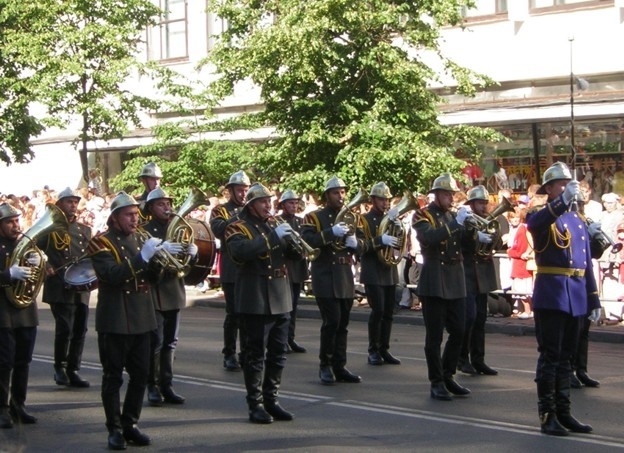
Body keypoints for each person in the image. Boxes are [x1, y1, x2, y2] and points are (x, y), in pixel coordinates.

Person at [526, 162, 601, 436]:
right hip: (552, 295)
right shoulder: (542, 214)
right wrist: (562, 201)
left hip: (577, 294)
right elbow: (534, 224)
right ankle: (548, 414)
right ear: (549, 188)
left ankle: (564, 412)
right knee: (551, 356)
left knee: (567, 359)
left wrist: (593, 299)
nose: (569, 187)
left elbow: (586, 264)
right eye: (561, 184)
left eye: (569, 183)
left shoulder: (577, 219)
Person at [87, 192, 160, 450]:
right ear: (115, 217)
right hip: (116, 318)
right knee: (113, 377)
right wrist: (143, 258)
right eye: (129, 214)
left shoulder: (142, 238)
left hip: (143, 316)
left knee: (141, 375)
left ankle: (130, 424)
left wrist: (171, 257)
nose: (134, 218)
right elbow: (112, 274)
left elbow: (154, 277)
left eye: (136, 214)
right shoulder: (100, 243)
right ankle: (114, 429)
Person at [225, 183, 303, 424]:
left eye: (269, 201)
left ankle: (272, 400)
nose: (268, 205)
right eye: (262, 202)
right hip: (255, 296)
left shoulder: (274, 224)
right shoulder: (236, 227)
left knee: (278, 353)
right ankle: (255, 404)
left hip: (280, 295)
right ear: (250, 205)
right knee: (254, 354)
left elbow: (295, 256)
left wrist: (293, 242)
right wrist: (273, 237)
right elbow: (242, 252)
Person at [412, 173, 472, 401]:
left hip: (455, 279)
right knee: (434, 336)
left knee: (459, 330)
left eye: (452, 194)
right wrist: (456, 224)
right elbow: (428, 238)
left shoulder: (454, 215)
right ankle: (436, 381)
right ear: (436, 194)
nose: (451, 198)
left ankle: (448, 374)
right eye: (447, 194)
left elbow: (466, 245)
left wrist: (474, 232)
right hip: (435, 277)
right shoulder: (422, 215)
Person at [301, 176, 363, 385]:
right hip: (325, 274)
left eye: (343, 192)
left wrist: (357, 243)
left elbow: (362, 243)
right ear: (327, 195)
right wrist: (330, 233)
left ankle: (340, 365)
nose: (341, 196)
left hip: (345, 274)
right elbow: (307, 242)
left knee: (343, 323)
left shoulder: (352, 217)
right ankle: (325, 365)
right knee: (332, 321)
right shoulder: (313, 218)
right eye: (336, 192)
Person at [143, 188, 198, 406]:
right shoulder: (145, 231)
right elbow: (144, 263)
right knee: (155, 342)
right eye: (161, 204)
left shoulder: (179, 229)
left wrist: (192, 255)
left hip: (174, 289)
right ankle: (152, 386)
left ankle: (167, 384)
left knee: (171, 343)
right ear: (150, 208)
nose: (167, 208)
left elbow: (185, 265)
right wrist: (159, 252)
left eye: (168, 204)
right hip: (156, 291)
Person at [37, 188, 92, 388]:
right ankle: (59, 367)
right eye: (68, 202)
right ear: (59, 205)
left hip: (81, 286)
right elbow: (34, 250)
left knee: (80, 329)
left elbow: (90, 254)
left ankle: (73, 369)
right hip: (59, 285)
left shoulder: (84, 230)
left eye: (75, 202)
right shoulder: (48, 230)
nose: (73, 205)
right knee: (65, 328)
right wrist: (46, 264)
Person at [0, 203, 39, 428]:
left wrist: (38, 262)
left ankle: (18, 404)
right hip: (3, 312)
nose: (15, 226)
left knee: (23, 361)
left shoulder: (25, 245)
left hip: (25, 312)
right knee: (4, 362)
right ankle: (1, 408)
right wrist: (7, 274)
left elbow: (40, 274)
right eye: (9, 222)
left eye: (16, 221)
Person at [209, 170, 251, 371]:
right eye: (240, 190)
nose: (243, 194)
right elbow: (219, 230)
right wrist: (240, 216)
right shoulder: (221, 210)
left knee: (248, 314)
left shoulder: (252, 209)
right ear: (230, 191)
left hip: (250, 268)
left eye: (245, 190)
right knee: (233, 313)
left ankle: (246, 352)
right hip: (231, 268)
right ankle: (229, 353)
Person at [457, 185, 500, 376]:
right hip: (467, 273)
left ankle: (479, 359)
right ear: (472, 204)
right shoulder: (466, 220)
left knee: (481, 318)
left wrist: (491, 236)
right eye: (480, 203)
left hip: (482, 274)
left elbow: (495, 244)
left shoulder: (488, 221)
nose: (484, 207)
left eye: (485, 203)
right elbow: (462, 243)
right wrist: (476, 236)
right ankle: (462, 358)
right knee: (469, 318)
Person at [358, 182, 401, 366]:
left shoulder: (390, 219)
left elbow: (398, 243)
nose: (385, 203)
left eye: (387, 200)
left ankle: (384, 348)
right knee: (378, 311)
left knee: (389, 312)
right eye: (382, 199)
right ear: (373, 200)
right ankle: (373, 350)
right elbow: (362, 246)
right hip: (373, 270)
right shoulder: (364, 220)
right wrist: (380, 239)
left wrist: (397, 227)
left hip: (388, 269)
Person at [275, 189, 308, 354]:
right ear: (283, 205)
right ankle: (281, 340)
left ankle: (290, 338)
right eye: (290, 203)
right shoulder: (276, 221)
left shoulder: (301, 222)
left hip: (298, 268)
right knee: (285, 308)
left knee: (294, 307)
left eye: (295, 203)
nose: (294, 206)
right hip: (285, 267)